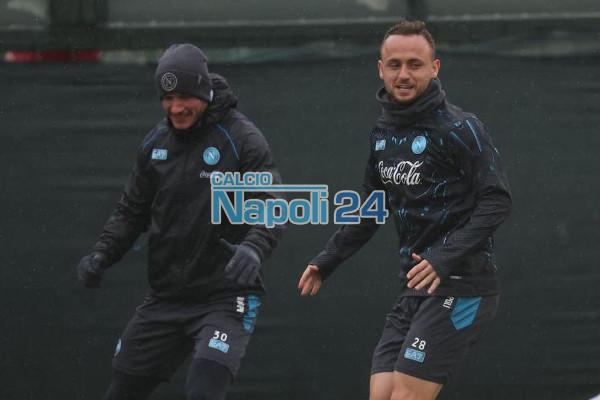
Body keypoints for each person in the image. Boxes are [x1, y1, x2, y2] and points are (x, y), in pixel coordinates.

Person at [298, 21, 512, 400]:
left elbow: (497, 201)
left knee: (404, 395)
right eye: (395, 65)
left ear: (435, 68)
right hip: (414, 288)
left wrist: (443, 258)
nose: (404, 75)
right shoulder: (383, 133)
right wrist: (327, 260)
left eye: (415, 64)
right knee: (381, 393)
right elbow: (371, 209)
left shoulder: (460, 128)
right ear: (380, 69)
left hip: (462, 286)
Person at [77, 43, 284, 400]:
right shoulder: (155, 143)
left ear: (204, 92)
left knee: (203, 392)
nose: (176, 107)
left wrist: (254, 248)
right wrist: (102, 253)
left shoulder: (242, 139)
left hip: (225, 296)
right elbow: (132, 211)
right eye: (168, 98)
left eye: (185, 97)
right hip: (165, 297)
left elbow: (273, 203)